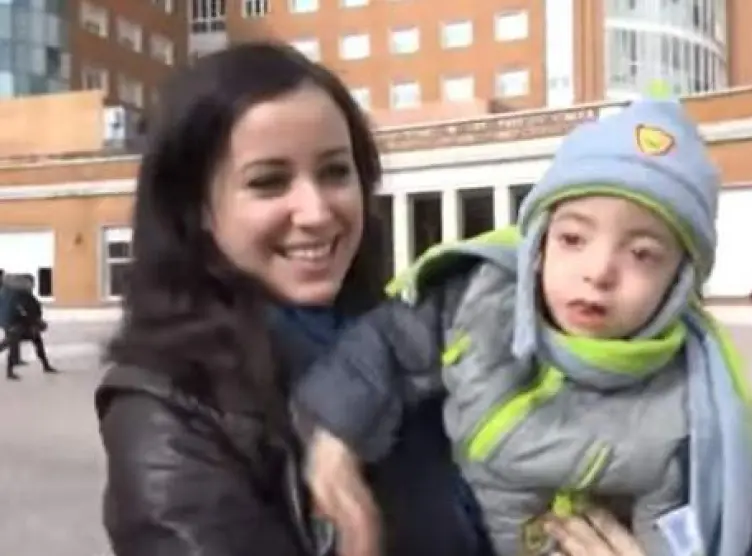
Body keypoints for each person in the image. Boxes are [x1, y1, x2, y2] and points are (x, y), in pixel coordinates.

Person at [299, 95, 752, 555]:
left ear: (680, 280)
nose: (599, 271)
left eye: (642, 254)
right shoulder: (478, 298)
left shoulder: (697, 409)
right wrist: (334, 444)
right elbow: (383, 345)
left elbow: (700, 531)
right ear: (539, 244)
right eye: (573, 239)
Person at [94, 42, 496, 556]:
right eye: (269, 182)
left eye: (335, 172)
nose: (317, 212)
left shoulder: (406, 340)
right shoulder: (167, 410)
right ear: (196, 209)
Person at [0, 274, 55, 379]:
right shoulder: (17, 295)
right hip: (18, 326)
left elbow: (31, 309)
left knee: (35, 341)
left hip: (22, 325)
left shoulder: (13, 293)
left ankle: (46, 365)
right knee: (12, 344)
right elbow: (24, 310)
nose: (33, 285)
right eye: (31, 283)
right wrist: (36, 321)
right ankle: (10, 372)